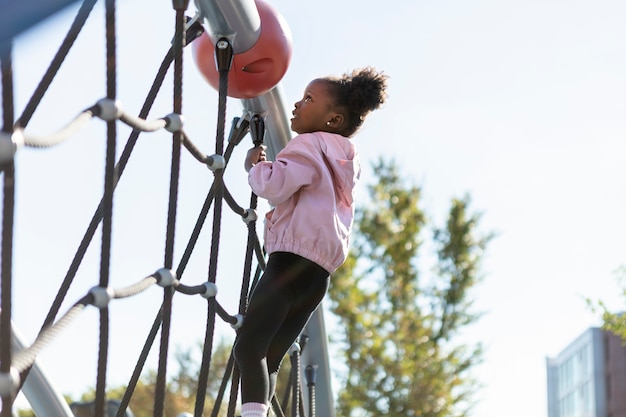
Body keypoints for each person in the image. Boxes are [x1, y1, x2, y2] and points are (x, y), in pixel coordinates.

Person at [234, 67, 388, 417]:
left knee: (248, 351)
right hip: (318, 277)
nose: (297, 105)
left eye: (308, 100)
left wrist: (256, 167)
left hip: (288, 263)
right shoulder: (346, 159)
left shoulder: (307, 144)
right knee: (270, 360)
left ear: (333, 119)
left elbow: (274, 187)